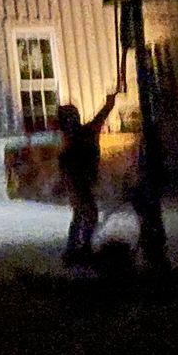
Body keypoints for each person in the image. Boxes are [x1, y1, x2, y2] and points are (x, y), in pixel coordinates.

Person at [58, 92, 119, 264]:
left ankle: (75, 250)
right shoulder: (83, 135)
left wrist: (109, 104)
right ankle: (80, 249)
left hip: (79, 181)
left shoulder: (78, 136)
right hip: (79, 182)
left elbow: (100, 118)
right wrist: (108, 105)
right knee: (88, 214)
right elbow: (100, 118)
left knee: (81, 214)